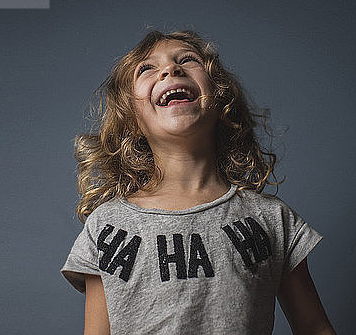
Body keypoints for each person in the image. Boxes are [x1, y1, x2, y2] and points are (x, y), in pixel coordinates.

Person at [61, 29, 336, 335]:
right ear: (131, 120)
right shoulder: (107, 226)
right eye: (147, 68)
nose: (171, 69)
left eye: (188, 60)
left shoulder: (272, 220)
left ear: (221, 101)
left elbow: (314, 327)